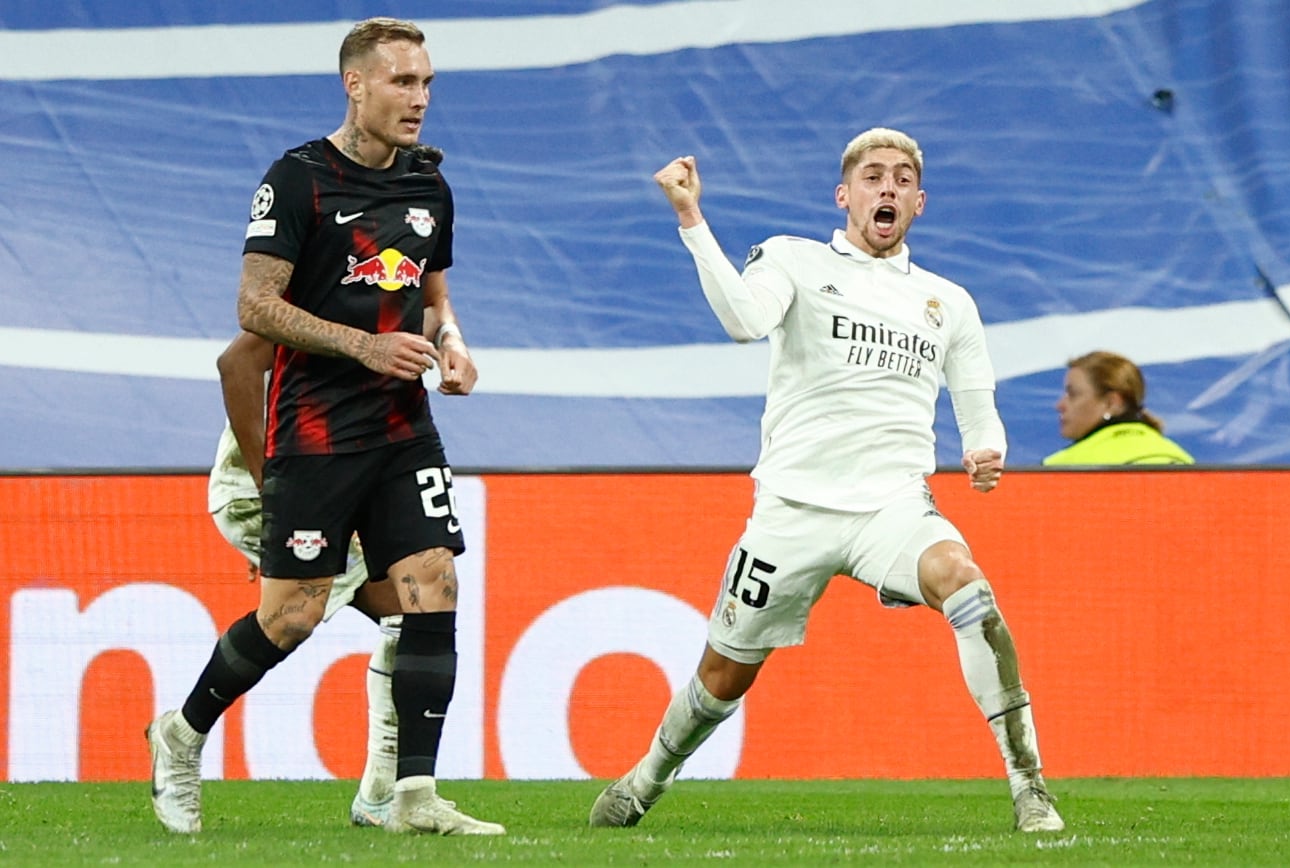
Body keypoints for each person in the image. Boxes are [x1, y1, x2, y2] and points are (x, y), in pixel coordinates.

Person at [589, 129, 1065, 833]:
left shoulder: (947, 302)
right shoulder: (793, 260)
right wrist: (692, 219)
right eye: (872, 177)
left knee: (967, 585)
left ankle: (1029, 787)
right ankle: (645, 779)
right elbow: (742, 321)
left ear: (918, 203)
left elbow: (975, 400)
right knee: (724, 673)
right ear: (844, 195)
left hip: (893, 506)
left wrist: (985, 449)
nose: (887, 189)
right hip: (792, 509)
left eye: (902, 180)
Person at [146, 17, 503, 836]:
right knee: (293, 615)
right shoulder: (299, 178)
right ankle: (180, 733)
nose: (418, 100)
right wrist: (361, 345)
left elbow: (433, 293)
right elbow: (253, 308)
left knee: (432, 587)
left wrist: (452, 347)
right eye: (401, 83)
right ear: (355, 84)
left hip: (401, 428)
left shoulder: (428, 186)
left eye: (426, 84)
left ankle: (409, 797)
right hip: (314, 432)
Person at [208, 330, 402, 827]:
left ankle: (381, 796)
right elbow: (235, 364)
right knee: (291, 620)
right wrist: (273, 499)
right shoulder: (324, 291)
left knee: (411, 609)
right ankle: (182, 734)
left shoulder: (397, 295)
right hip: (286, 487)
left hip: (331, 488)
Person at [1043, 351, 1193, 465]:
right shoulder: (1181, 460)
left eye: (1073, 394)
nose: (1060, 405)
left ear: (1111, 403)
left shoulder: (1059, 472)